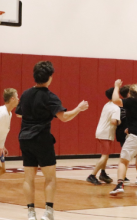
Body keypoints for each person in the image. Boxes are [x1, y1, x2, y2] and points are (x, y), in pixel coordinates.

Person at [17, 61, 89, 220]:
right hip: (41, 139)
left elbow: (18, 114)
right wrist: (79, 108)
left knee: (29, 178)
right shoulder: (50, 96)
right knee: (49, 177)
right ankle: (48, 212)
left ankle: (30, 213)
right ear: (49, 77)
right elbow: (64, 117)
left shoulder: (25, 94)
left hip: (24, 138)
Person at [86, 87, 121, 185]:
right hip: (106, 133)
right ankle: (92, 175)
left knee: (106, 155)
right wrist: (120, 122)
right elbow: (114, 122)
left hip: (101, 132)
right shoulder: (116, 108)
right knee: (105, 156)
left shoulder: (107, 105)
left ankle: (103, 173)